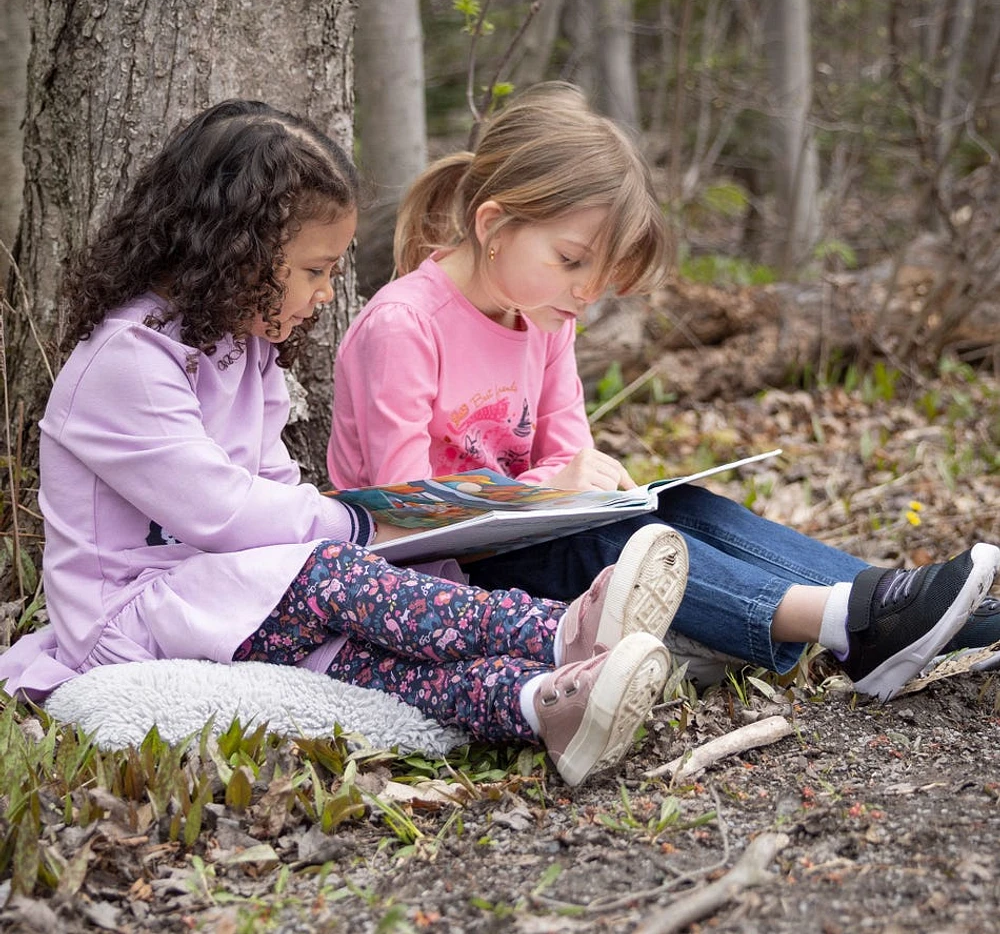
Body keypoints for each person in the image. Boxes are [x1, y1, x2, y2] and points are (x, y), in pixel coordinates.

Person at [0, 100, 699, 790]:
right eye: (314, 270)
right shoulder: (129, 361)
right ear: (237, 250)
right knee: (330, 572)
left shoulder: (243, 352)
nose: (328, 292)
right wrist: (359, 521)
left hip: (239, 602)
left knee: (383, 667)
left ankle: (545, 702)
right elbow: (225, 513)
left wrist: (343, 536)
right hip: (134, 617)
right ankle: (560, 632)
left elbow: (272, 485)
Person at [328, 81, 1000, 703]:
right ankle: (843, 622)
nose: (588, 292)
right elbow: (405, 508)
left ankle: (892, 606)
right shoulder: (406, 326)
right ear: (493, 225)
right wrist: (555, 488)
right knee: (601, 545)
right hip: (439, 586)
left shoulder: (541, 318)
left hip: (524, 544)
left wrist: (578, 485)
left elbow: (570, 457)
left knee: (688, 508)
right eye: (571, 261)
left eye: (601, 271)